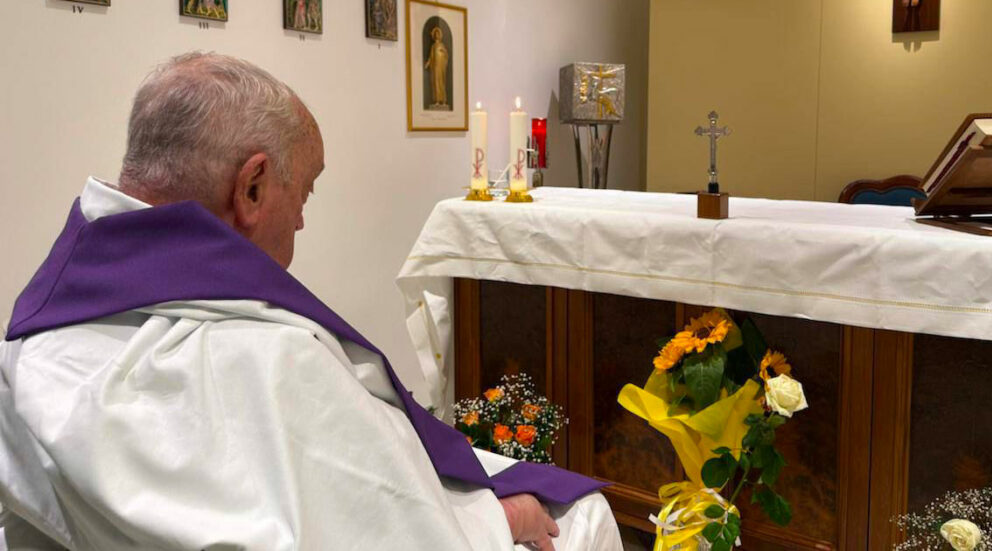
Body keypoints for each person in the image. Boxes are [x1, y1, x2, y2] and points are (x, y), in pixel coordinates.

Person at [0, 53, 621, 550]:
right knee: (585, 516)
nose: (300, 222)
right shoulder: (275, 360)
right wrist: (501, 521)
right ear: (251, 187)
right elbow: (394, 531)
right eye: (307, 191)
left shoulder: (34, 339)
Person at [425, 26, 449, 109]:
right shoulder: (433, 46)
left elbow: (446, 55)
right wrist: (428, 63)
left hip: (441, 67)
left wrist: (444, 52)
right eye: (435, 34)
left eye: (438, 34)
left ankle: (444, 100)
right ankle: (437, 100)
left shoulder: (442, 45)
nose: (437, 35)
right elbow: (431, 57)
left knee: (441, 82)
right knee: (435, 83)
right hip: (435, 67)